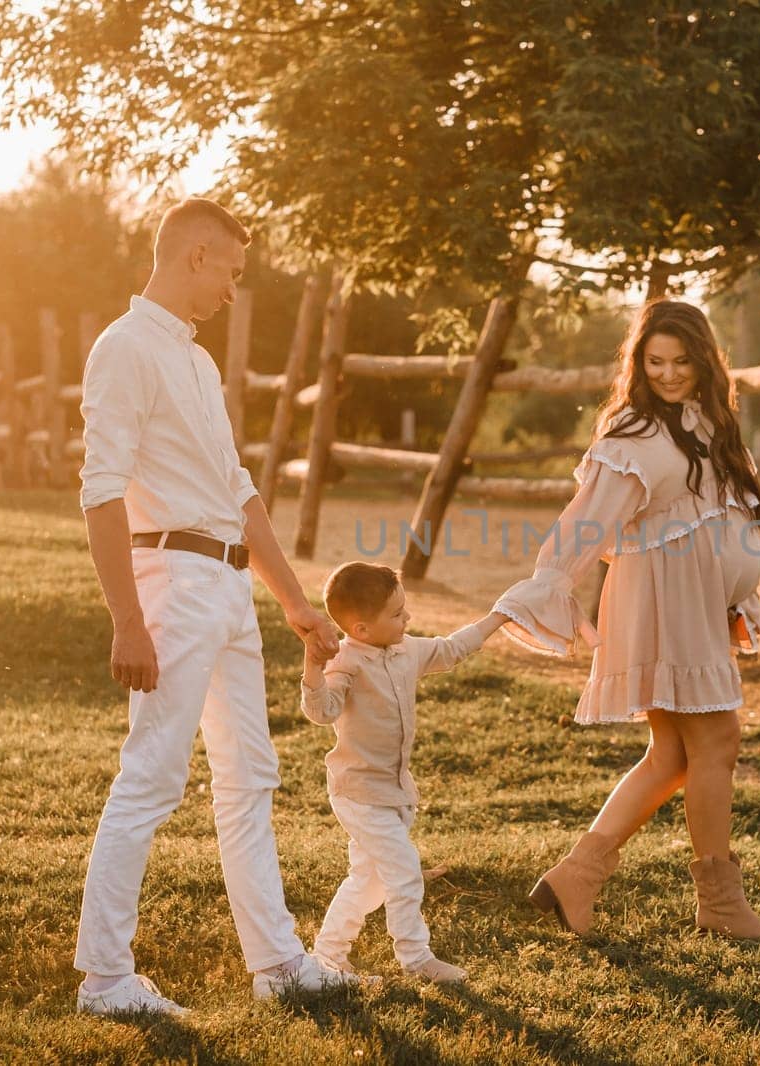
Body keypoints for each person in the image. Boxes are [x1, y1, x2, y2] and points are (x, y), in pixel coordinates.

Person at [74, 197, 356, 1015]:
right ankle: (105, 980)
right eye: (230, 271)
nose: (234, 289)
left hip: (229, 587)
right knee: (152, 777)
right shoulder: (124, 349)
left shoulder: (194, 362)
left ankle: (277, 964)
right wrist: (127, 619)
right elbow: (99, 494)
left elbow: (239, 492)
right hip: (172, 583)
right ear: (195, 256)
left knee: (249, 780)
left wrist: (297, 606)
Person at [494, 299, 760, 939]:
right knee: (716, 743)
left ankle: (577, 875)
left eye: (682, 360)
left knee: (674, 754)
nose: (670, 373)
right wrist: (550, 585)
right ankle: (720, 904)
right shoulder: (636, 433)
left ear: (705, 359)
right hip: (662, 599)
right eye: (655, 362)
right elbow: (588, 517)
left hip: (696, 603)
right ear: (639, 362)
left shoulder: (708, 422)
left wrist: (735, 591)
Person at [300, 562, 508, 984]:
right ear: (360, 629)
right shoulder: (346, 662)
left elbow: (451, 649)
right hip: (358, 793)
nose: (407, 619)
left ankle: (327, 954)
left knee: (369, 880)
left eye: (404, 610)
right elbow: (322, 711)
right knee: (403, 868)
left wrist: (498, 617)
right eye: (396, 615)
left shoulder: (406, 650)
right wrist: (312, 667)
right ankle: (416, 958)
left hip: (394, 792)